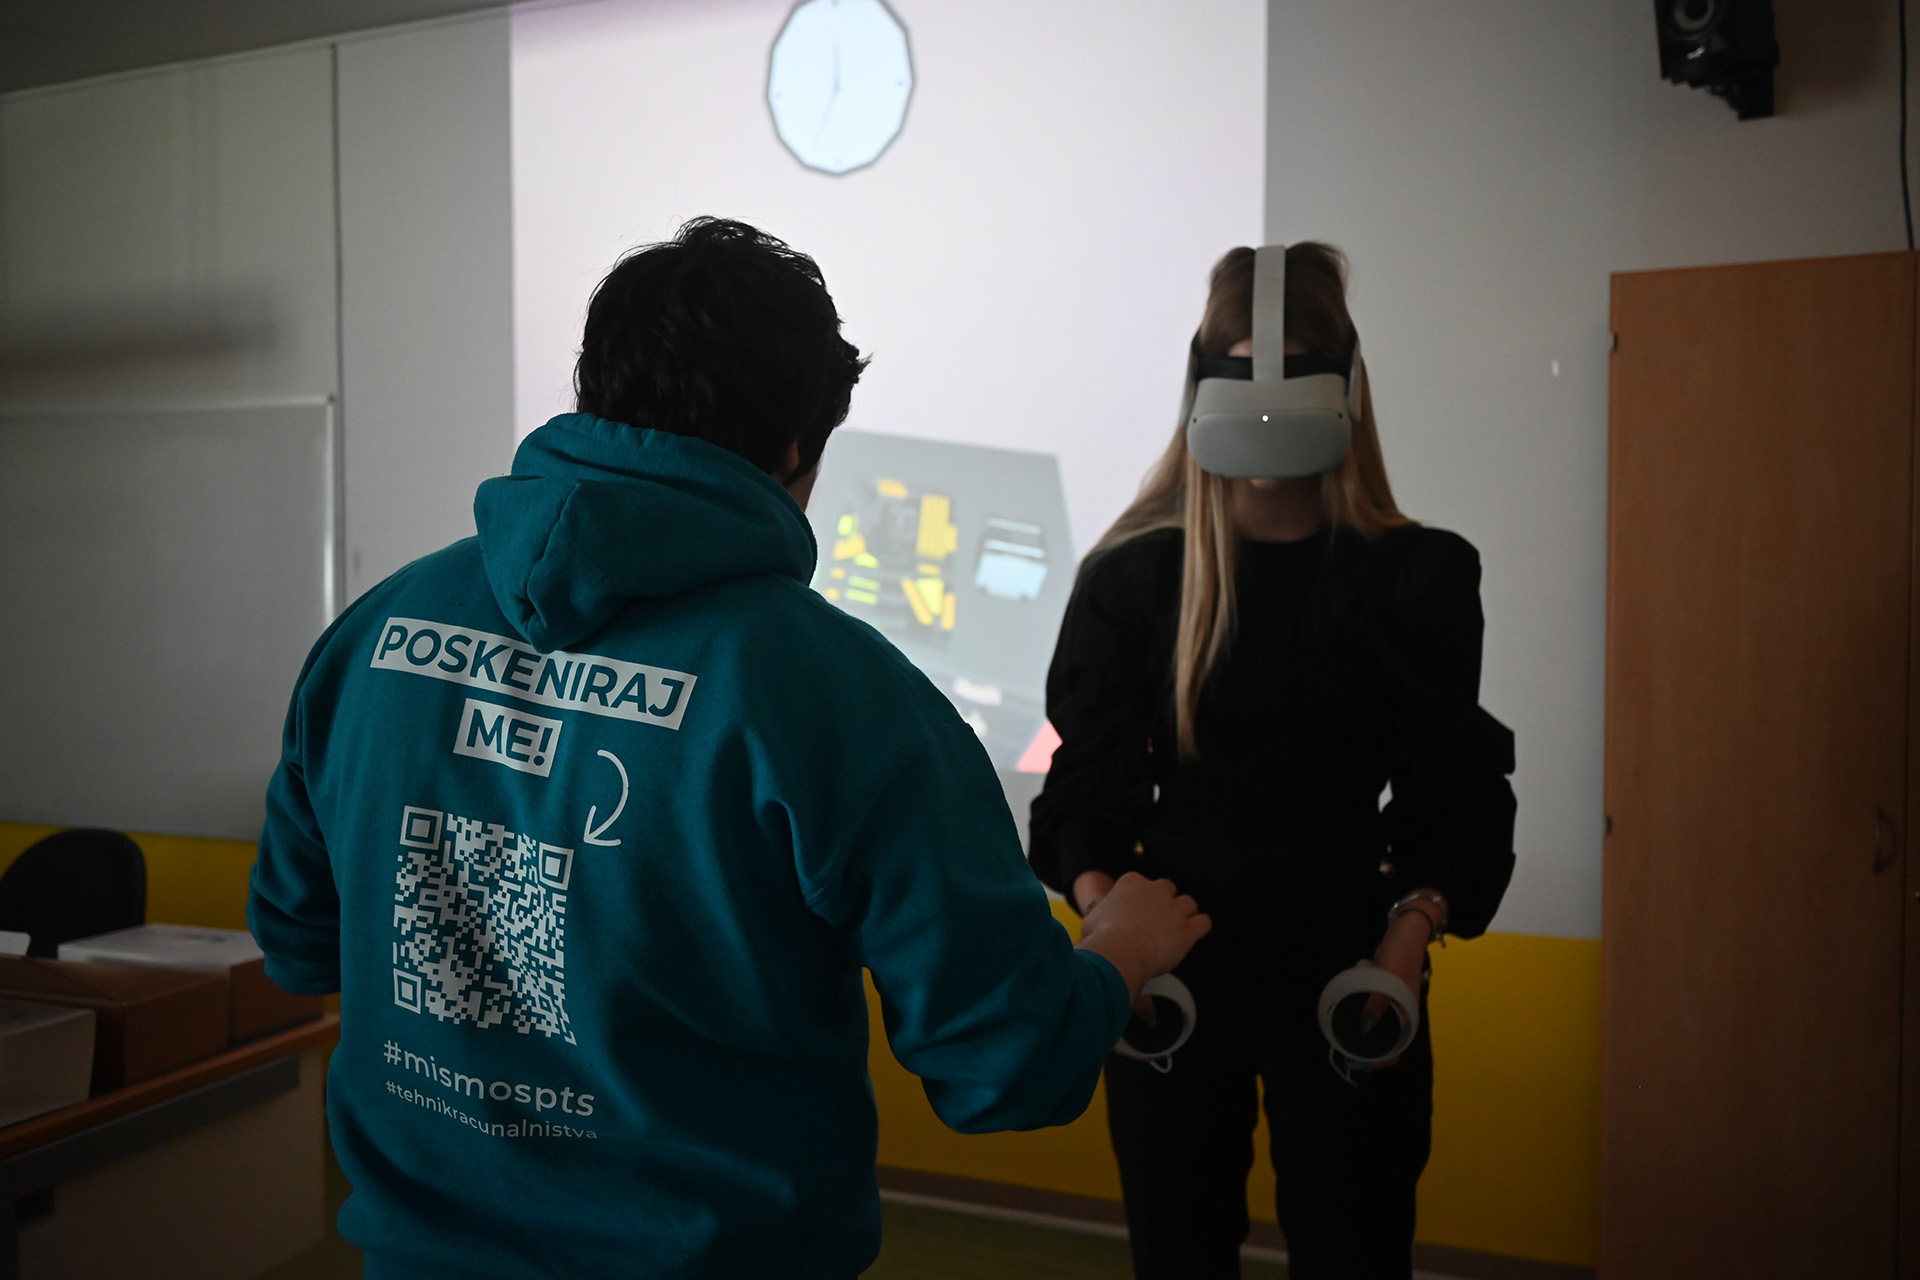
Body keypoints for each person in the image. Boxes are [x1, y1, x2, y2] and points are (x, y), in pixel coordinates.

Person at [248, 216, 1210, 1280]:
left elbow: (299, 945)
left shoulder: (375, 633)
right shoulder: (842, 694)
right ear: (796, 448)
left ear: (595, 391)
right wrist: (1121, 950)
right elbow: (1006, 1064)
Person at [1028, 242, 1516, 1280]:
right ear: (1201, 383)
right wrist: (1110, 927)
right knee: (1178, 1248)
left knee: (1356, 1246)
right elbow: (1084, 784)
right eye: (1241, 372)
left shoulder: (1417, 579)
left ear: (1344, 388)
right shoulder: (1135, 578)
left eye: (1293, 371)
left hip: (1352, 954)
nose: (1264, 406)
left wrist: (1410, 934)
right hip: (1170, 958)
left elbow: (1455, 784)